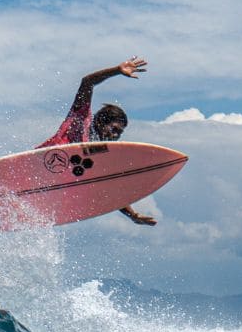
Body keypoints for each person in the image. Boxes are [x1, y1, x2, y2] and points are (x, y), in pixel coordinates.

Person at [36, 57, 157, 226]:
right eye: (114, 129)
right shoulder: (81, 120)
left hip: (56, 180)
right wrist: (116, 70)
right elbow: (87, 82)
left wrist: (133, 215)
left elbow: (107, 186)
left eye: (120, 133)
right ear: (100, 121)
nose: (116, 136)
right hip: (42, 162)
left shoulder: (98, 155)